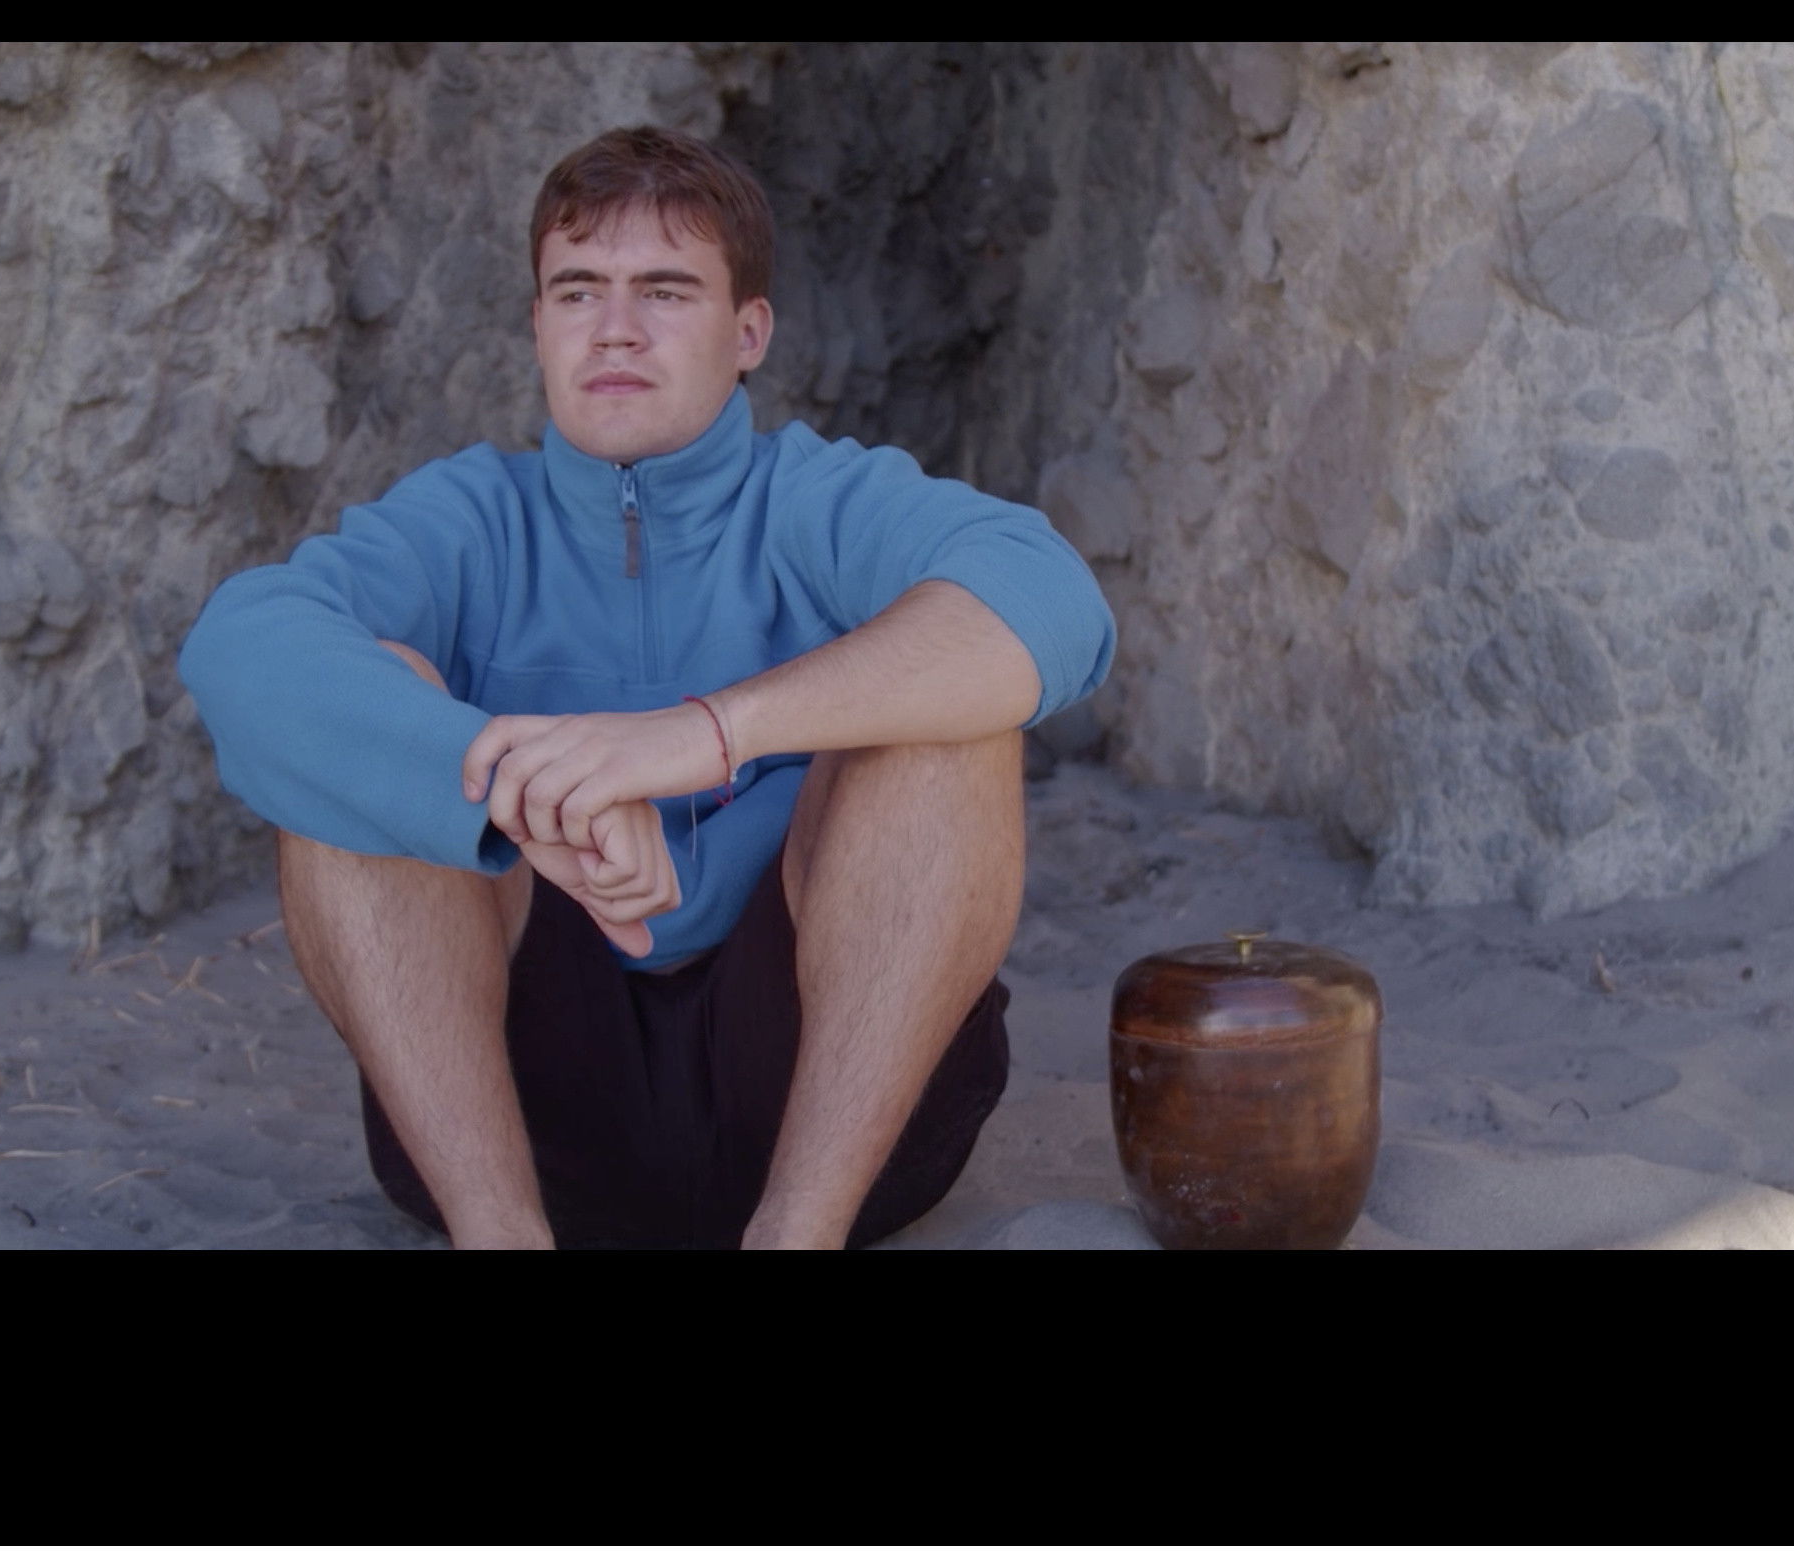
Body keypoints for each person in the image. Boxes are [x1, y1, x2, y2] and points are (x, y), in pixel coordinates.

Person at [179, 126, 1116, 1248]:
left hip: (829, 1112)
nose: (614, 328)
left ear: (748, 332)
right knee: (354, 735)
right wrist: (526, 798)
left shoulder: (819, 501)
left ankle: (794, 1237)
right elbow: (238, 645)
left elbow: (1051, 601)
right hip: (528, 1128)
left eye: (665, 291)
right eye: (578, 291)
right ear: (538, 324)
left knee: (949, 716)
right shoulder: (467, 519)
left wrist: (702, 734)